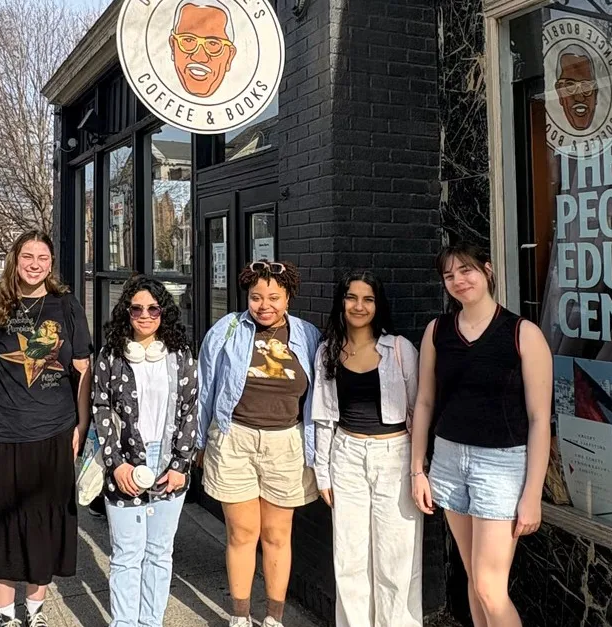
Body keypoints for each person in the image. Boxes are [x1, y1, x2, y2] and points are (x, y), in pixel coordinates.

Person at [411, 242, 552, 627]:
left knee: (490, 586)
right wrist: (417, 469)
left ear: (487, 270)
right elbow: (424, 402)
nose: (459, 280)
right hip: (449, 459)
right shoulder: (437, 331)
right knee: (475, 580)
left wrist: (532, 495)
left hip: (502, 466)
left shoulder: (523, 333)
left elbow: (541, 420)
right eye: (449, 275)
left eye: (467, 270)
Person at [0, 231, 92, 627]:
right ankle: (6, 615)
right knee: (2, 523)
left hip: (54, 431)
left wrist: (82, 425)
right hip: (0, 432)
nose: (35, 263)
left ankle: (36, 612)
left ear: (51, 262)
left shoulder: (67, 306)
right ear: (15, 259)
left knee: (44, 521)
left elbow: (82, 371)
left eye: (43, 256)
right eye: (28, 256)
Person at [197, 260, 321, 627]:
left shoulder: (308, 335)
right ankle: (239, 616)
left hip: (287, 442)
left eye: (274, 297)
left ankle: (273, 618)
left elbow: (321, 394)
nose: (264, 305)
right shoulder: (228, 329)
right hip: (235, 438)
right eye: (256, 297)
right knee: (242, 533)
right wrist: (199, 441)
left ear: (288, 298)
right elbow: (206, 387)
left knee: (277, 534)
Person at [311, 270, 423, 626]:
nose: (359, 306)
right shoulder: (328, 350)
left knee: (396, 558)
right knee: (349, 559)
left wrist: (419, 469)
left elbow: (419, 411)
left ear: (378, 304)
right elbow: (323, 417)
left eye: (368, 299)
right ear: (341, 303)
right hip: (345, 457)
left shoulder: (400, 349)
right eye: (352, 298)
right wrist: (322, 471)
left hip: (395, 457)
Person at [93, 276, 198, 627]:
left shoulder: (180, 355)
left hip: (168, 460)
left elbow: (190, 409)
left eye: (153, 308)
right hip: (126, 461)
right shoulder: (112, 355)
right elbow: (101, 407)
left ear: (163, 312)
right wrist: (116, 464)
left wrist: (182, 464)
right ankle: (124, 623)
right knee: (126, 554)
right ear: (126, 311)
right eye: (136, 308)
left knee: (158, 552)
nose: (144, 315)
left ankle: (151, 621)